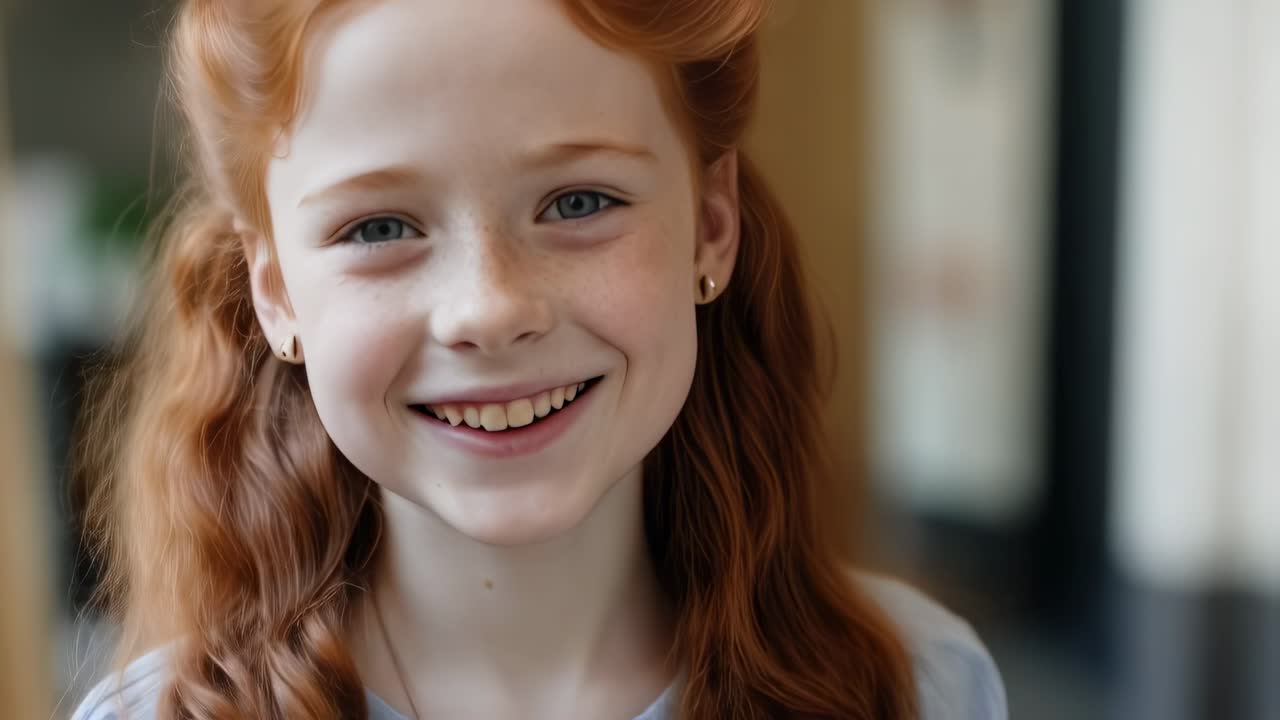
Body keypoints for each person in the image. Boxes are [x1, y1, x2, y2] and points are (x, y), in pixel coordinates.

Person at [71, 1, 1007, 718]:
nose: (489, 308)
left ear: (709, 227)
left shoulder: (922, 688)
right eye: (380, 226)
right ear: (274, 290)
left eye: (578, 203)